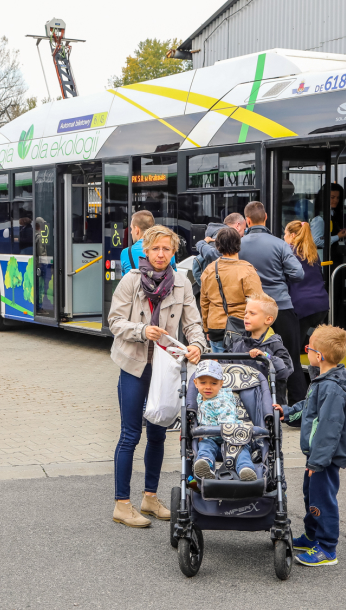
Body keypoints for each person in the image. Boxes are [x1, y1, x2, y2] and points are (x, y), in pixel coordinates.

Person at [108, 225, 205, 528]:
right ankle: (122, 504)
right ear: (146, 251)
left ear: (174, 252)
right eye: (155, 249)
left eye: (166, 249)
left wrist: (198, 345)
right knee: (130, 435)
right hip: (134, 365)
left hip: (165, 368)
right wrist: (142, 330)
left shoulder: (182, 283)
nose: (161, 254)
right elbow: (114, 322)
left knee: (158, 433)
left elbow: (193, 324)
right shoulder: (131, 281)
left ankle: (150, 497)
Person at [275, 325, 346, 567]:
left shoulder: (332, 388)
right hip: (317, 455)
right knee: (311, 495)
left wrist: (318, 462)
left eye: (308, 348)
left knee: (322, 500)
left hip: (324, 458)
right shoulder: (323, 380)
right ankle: (312, 536)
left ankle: (327, 547)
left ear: (319, 355)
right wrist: (288, 412)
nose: (306, 351)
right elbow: (309, 407)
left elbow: (328, 429)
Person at [238, 201, 306, 404]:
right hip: (281, 306)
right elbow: (298, 273)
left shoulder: (239, 245)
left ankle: (257, 404)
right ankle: (297, 407)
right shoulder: (280, 244)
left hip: (252, 309)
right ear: (266, 217)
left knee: (250, 357)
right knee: (291, 357)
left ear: (247, 220)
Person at [191, 359, 257, 482]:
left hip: (233, 438)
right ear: (196, 383)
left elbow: (229, 421)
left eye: (214, 383)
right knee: (205, 446)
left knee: (242, 452)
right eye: (203, 382)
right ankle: (206, 466)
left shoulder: (223, 400)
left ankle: (245, 469)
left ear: (221, 384)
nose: (208, 387)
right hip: (212, 440)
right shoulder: (199, 397)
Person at [199, 227, 262, 353]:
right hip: (241, 328)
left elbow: (204, 303)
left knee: (219, 364)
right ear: (239, 244)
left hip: (215, 327)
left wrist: (206, 329)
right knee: (241, 364)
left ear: (218, 246)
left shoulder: (209, 270)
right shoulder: (247, 270)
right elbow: (258, 302)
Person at [227, 292, 294, 395]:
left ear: (268, 319)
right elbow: (225, 365)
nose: (246, 316)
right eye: (245, 313)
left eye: (252, 313)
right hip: (239, 399)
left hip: (268, 400)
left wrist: (266, 357)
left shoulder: (275, 345)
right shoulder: (237, 343)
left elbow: (286, 371)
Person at [285, 220, 330, 350]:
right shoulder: (312, 252)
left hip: (302, 306)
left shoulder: (288, 252)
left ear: (292, 235)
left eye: (285, 234)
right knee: (316, 346)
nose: (284, 237)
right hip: (321, 304)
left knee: (293, 349)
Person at [191, 212, 246, 296]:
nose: (243, 235)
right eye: (244, 229)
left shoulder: (214, 236)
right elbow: (217, 256)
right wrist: (201, 244)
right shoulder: (224, 237)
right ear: (237, 225)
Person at [311, 183, 346, 249]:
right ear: (324, 198)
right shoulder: (319, 219)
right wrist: (337, 236)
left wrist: (343, 235)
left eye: (338, 198)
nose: (336, 200)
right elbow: (316, 241)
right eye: (332, 197)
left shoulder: (334, 215)